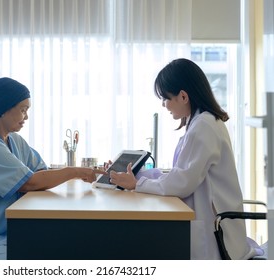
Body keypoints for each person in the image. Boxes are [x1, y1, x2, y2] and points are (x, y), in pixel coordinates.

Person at [0, 77, 106, 260]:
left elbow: (39, 171)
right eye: (23, 110)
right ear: (2, 109)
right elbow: (29, 183)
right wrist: (75, 171)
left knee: (49, 247)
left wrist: (67, 173)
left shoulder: (13, 140)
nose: (26, 117)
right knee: (30, 256)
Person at [109, 58, 263, 260]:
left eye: (165, 98)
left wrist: (138, 184)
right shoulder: (199, 122)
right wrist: (139, 176)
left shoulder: (203, 127)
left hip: (216, 234)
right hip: (209, 221)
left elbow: (182, 183)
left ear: (183, 96)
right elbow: (181, 173)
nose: (164, 105)